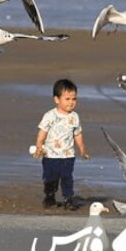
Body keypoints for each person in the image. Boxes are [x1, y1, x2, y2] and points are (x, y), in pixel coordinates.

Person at [34, 79, 90, 209]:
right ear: (57, 99)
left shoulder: (75, 117)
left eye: (74, 99)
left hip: (68, 155)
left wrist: (82, 149)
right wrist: (39, 146)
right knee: (50, 178)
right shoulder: (50, 115)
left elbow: (77, 134)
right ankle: (49, 197)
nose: (71, 102)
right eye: (67, 99)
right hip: (50, 155)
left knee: (67, 178)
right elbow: (42, 131)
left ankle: (68, 199)